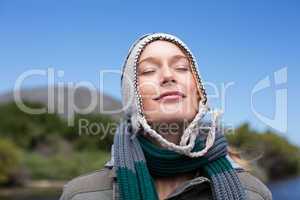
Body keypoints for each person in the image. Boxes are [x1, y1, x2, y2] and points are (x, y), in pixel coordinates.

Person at [59, 33, 272, 200]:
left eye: (181, 67)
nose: (168, 76)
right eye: (148, 71)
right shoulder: (82, 195)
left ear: (199, 93)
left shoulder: (252, 193)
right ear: (132, 97)